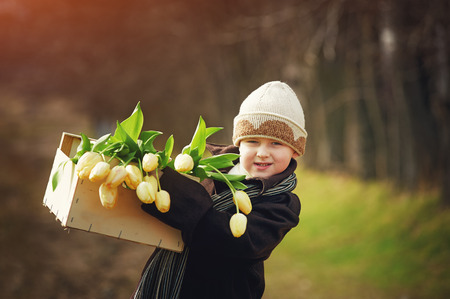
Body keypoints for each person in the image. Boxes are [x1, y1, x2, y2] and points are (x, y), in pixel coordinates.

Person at [132, 81, 308, 299]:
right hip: (173, 285)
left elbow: (238, 241)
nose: (263, 153)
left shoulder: (282, 204)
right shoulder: (212, 172)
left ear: (295, 151)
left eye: (276, 144)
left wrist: (174, 190)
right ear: (239, 144)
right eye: (252, 141)